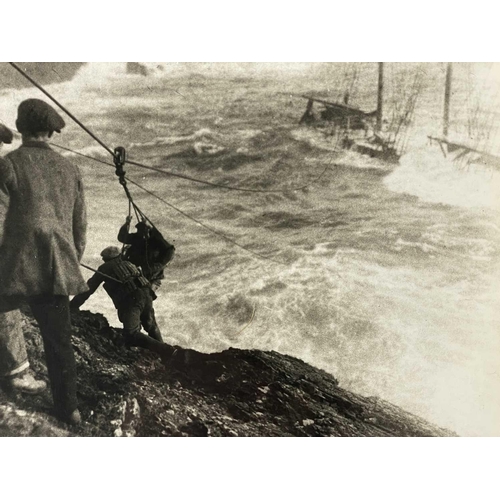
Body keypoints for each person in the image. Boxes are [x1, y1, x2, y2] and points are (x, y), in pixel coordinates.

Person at [0, 99, 88, 426]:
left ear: (20, 128)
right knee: (59, 342)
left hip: (12, 269)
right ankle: (70, 409)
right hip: (56, 270)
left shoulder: (8, 164)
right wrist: (69, 264)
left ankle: (14, 374)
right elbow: (80, 229)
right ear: (52, 131)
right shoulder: (71, 170)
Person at [70, 246, 165, 346]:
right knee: (151, 325)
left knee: (131, 333)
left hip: (132, 299)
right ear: (120, 255)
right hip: (147, 294)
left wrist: (72, 305)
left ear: (105, 259)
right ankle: (165, 352)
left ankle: (168, 351)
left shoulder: (105, 268)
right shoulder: (129, 264)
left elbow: (89, 289)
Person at [117, 216, 175, 289]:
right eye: (140, 231)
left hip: (153, 275)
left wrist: (160, 264)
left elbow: (170, 250)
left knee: (148, 293)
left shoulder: (156, 240)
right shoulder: (136, 238)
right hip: (137, 272)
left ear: (149, 231)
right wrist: (127, 223)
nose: (143, 234)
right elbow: (122, 237)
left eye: (145, 231)